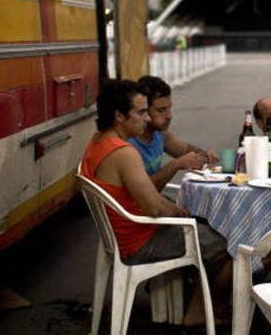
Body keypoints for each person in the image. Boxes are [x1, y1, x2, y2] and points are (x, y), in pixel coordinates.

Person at [79, 79, 231, 325]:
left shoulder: (98, 141)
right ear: (119, 115)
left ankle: (190, 300)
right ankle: (200, 309)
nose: (146, 118)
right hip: (139, 241)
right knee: (228, 243)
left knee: (204, 227)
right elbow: (154, 207)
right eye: (140, 112)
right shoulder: (123, 152)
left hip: (123, 235)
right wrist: (182, 214)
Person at [128, 75, 219, 191]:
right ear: (144, 109)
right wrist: (175, 165)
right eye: (161, 110)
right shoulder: (128, 144)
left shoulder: (160, 135)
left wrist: (205, 155)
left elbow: (186, 151)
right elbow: (143, 192)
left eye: (169, 108)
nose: (169, 116)